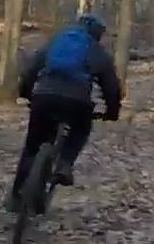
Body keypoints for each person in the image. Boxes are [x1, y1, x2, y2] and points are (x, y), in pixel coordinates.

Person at [11, 13, 122, 210]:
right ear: (97, 33)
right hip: (77, 101)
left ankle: (16, 198)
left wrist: (26, 93)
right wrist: (112, 112)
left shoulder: (55, 42)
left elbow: (32, 69)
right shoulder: (96, 51)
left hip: (44, 96)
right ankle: (65, 163)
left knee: (32, 146)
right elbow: (111, 88)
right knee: (81, 128)